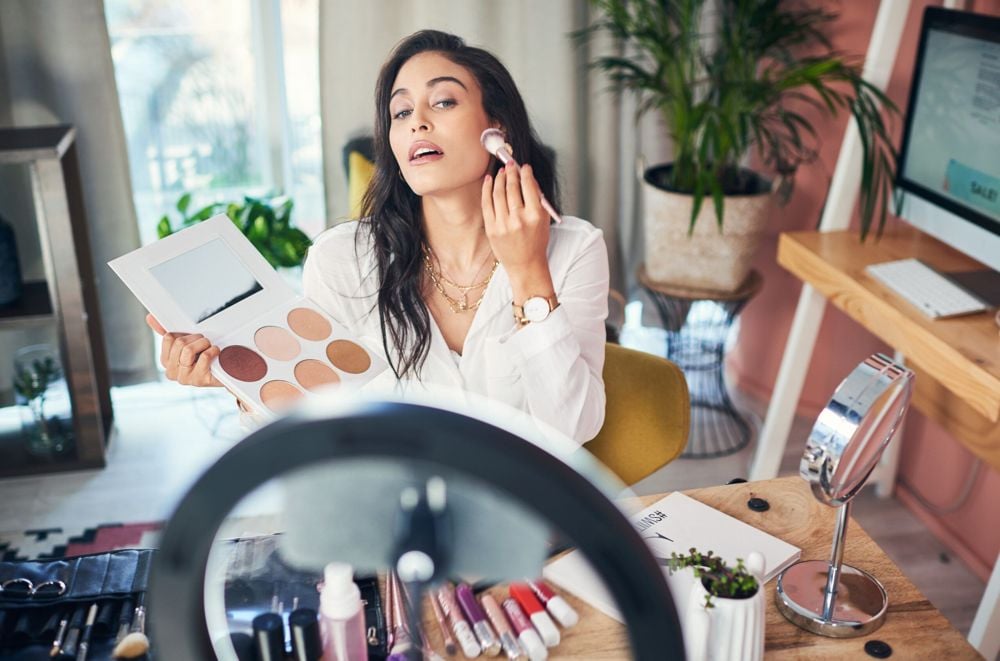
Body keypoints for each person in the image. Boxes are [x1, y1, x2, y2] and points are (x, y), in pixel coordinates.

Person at [149, 30, 609, 445]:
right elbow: (317, 421)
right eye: (402, 111)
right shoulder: (342, 260)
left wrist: (528, 272)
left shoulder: (574, 249)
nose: (417, 123)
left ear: (498, 128)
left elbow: (570, 431)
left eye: (443, 102)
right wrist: (236, 380)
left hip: (528, 516)